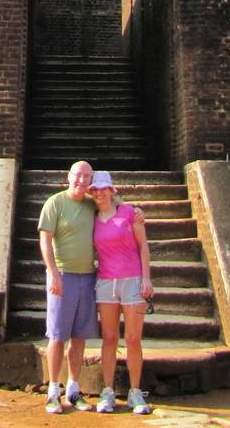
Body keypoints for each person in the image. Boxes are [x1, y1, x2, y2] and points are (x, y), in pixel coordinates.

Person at [89, 170, 154, 415]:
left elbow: (143, 245)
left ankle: (135, 391)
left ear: (111, 190)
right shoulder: (92, 218)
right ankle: (107, 390)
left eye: (103, 188)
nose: (99, 193)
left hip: (132, 280)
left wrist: (146, 278)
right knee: (109, 338)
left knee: (134, 339)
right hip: (106, 282)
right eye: (95, 189)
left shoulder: (129, 213)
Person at [38, 159, 98, 413]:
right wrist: (53, 273)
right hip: (63, 275)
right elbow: (45, 240)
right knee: (57, 335)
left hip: (88, 276)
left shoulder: (92, 205)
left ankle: (73, 388)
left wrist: (135, 213)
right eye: (77, 175)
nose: (81, 180)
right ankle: (53, 389)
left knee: (79, 336)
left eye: (86, 177)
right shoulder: (55, 203)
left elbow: (116, 207)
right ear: (68, 176)